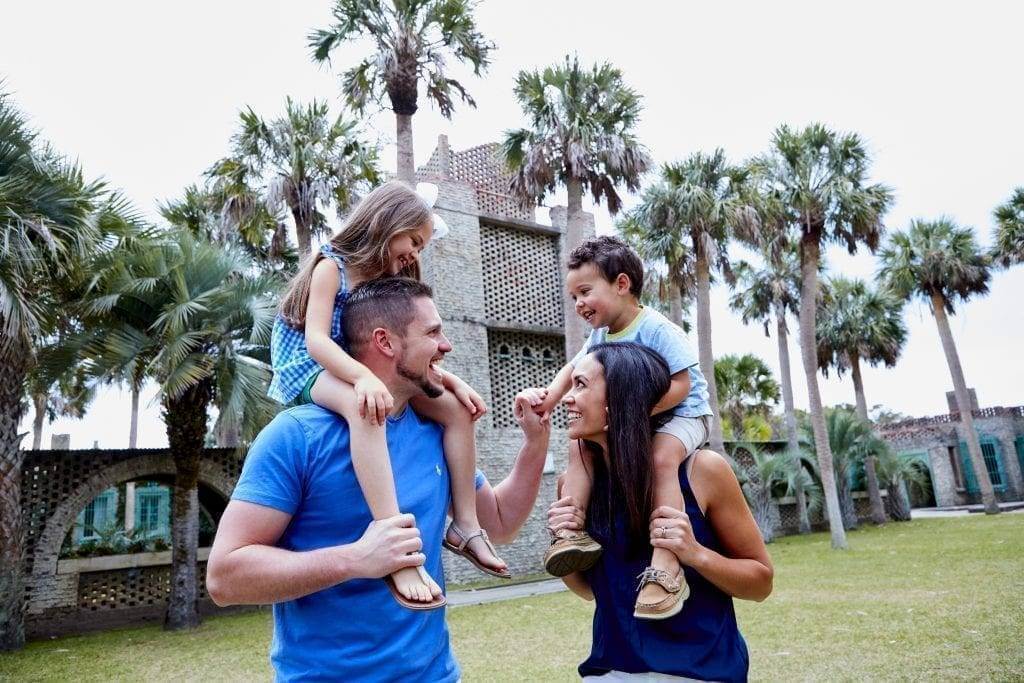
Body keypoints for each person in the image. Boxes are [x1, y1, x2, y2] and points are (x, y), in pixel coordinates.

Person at [207, 277, 551, 682]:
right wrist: (355, 559)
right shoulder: (296, 437)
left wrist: (535, 441)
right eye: (433, 332)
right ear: (385, 342)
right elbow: (224, 578)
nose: (446, 346)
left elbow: (500, 523)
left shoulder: (438, 435)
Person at [268, 181, 507, 610]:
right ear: (386, 223)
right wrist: (361, 379)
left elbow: (401, 348)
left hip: (354, 367)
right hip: (308, 369)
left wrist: (450, 381)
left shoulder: (383, 279)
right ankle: (393, 543)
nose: (416, 252)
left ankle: (466, 526)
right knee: (365, 412)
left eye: (422, 245)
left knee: (455, 411)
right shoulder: (332, 266)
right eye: (414, 240)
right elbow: (317, 343)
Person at [548, 342, 773, 681]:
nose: (567, 397)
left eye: (581, 385)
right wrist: (562, 545)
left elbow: (761, 583)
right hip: (611, 670)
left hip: (701, 672)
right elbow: (593, 591)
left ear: (619, 399)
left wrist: (694, 554)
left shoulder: (702, 472)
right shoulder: (575, 485)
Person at [520, 235, 715, 619]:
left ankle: (666, 556)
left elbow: (683, 384)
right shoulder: (599, 337)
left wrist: (631, 411)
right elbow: (572, 368)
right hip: (638, 419)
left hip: (684, 415)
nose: (578, 304)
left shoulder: (657, 328)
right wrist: (549, 396)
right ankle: (570, 530)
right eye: (573, 296)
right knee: (578, 449)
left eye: (585, 292)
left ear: (622, 285)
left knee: (661, 458)